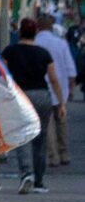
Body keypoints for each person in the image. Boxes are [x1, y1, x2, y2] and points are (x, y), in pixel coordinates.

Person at [3, 16, 65, 194]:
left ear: (20, 32)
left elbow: (3, 75)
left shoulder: (10, 51)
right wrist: (60, 102)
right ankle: (39, 181)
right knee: (41, 138)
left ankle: (26, 174)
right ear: (35, 32)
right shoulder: (43, 53)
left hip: (20, 96)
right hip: (41, 95)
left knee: (22, 135)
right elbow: (53, 79)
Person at [34, 14, 75, 167]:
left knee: (47, 124)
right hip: (61, 90)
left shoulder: (35, 43)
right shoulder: (61, 43)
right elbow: (71, 69)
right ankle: (65, 153)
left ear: (38, 28)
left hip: (41, 89)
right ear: (51, 28)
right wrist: (71, 88)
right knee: (62, 122)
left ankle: (53, 156)